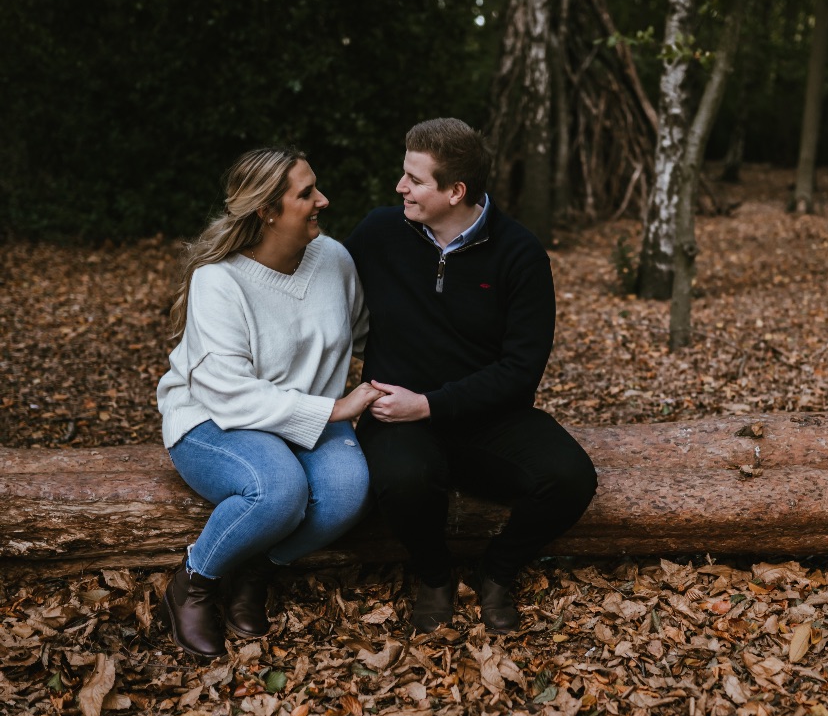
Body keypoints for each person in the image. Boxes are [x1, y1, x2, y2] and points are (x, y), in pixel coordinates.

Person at [346, 118, 597, 634]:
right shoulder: (378, 234)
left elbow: (521, 371)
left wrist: (432, 404)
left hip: (487, 418)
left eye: (414, 180)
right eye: (404, 175)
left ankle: (498, 572)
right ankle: (435, 579)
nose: (401, 188)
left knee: (571, 479)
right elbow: (313, 289)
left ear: (455, 191)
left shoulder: (520, 254)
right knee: (407, 479)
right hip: (397, 415)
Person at [156, 146, 382, 658]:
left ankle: (256, 569)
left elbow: (365, 335)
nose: (322, 200)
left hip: (306, 416)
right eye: (306, 194)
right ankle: (193, 584)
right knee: (278, 490)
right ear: (267, 212)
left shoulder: (334, 259)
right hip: (215, 420)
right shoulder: (220, 281)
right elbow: (230, 393)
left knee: (349, 491)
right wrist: (334, 410)